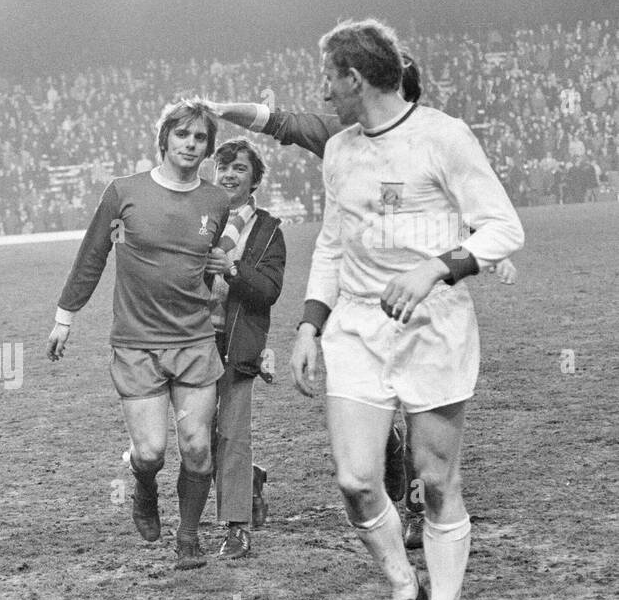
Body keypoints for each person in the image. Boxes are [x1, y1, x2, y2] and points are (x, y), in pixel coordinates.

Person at [289, 19, 524, 600]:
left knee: (437, 481)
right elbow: (332, 244)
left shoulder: (444, 137)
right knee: (356, 478)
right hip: (358, 327)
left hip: (434, 326)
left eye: (330, 78)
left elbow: (504, 227)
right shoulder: (339, 150)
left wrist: (438, 268)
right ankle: (403, 592)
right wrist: (310, 323)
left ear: (354, 78)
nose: (325, 91)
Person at [203, 56, 516, 549]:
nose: (337, 98)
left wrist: (480, 249)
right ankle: (391, 465)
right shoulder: (342, 137)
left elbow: (466, 201)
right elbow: (278, 120)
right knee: (374, 414)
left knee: (420, 412)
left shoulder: (437, 139)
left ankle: (416, 509)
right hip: (361, 299)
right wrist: (220, 108)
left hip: (425, 299)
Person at [47, 98, 242, 571]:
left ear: (208, 147)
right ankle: (145, 486)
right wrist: (65, 315)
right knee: (152, 452)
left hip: (195, 339)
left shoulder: (216, 201)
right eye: (182, 135)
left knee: (197, 448)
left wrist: (224, 266)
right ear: (165, 139)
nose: (191, 145)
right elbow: (93, 253)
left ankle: (189, 538)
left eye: (200, 138)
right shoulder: (123, 193)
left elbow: (215, 263)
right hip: (136, 342)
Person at [207, 139, 286, 558]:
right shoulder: (200, 217)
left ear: (254, 180)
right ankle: (249, 480)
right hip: (194, 341)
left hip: (238, 342)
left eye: (239, 168)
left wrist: (233, 270)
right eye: (223, 166)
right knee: (198, 442)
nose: (229, 174)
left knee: (232, 435)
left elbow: (269, 290)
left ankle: (236, 528)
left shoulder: (269, 229)